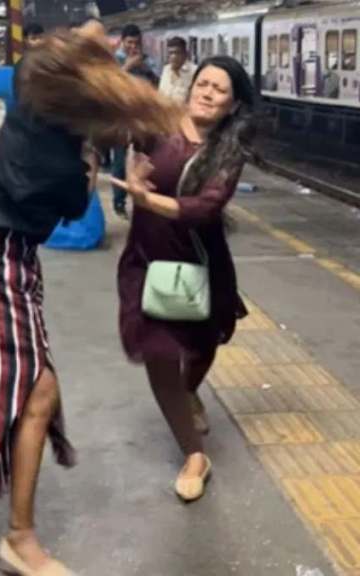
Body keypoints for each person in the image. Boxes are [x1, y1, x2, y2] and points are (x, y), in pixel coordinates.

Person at [0, 22, 179, 576]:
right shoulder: (58, 147)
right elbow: (74, 206)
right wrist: (94, 162)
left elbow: (48, 61)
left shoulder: (37, 109)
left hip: (4, 257)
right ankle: (19, 538)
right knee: (38, 391)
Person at [113, 56, 257, 503]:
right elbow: (119, 133)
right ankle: (195, 455)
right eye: (203, 82)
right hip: (147, 262)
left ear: (233, 106)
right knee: (158, 352)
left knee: (201, 345)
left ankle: (189, 390)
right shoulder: (159, 122)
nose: (207, 91)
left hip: (200, 263)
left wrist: (147, 200)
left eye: (219, 89)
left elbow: (207, 207)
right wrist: (121, 160)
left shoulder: (228, 152)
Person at [111, 23, 159, 218]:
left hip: (143, 119)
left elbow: (157, 84)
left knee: (145, 160)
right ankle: (119, 202)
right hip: (121, 119)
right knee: (121, 162)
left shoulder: (148, 61)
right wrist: (128, 67)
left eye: (136, 43)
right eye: (129, 42)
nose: (133, 46)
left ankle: (142, 202)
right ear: (122, 42)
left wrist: (145, 68)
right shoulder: (113, 60)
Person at [159, 36, 197, 103]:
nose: (174, 56)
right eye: (171, 53)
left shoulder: (194, 71)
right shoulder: (166, 70)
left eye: (177, 53)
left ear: (185, 54)